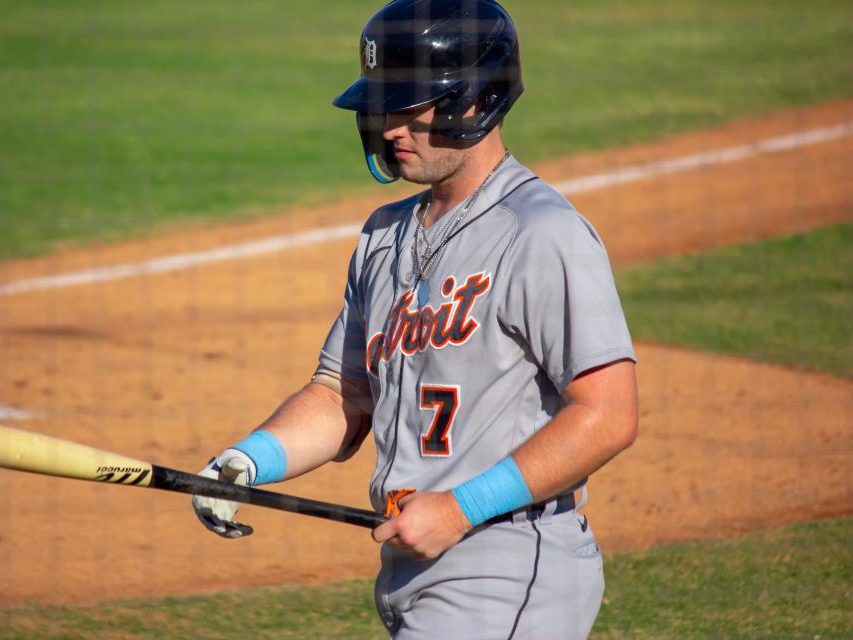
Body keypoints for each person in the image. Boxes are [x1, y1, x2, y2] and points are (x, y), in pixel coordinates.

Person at [192, 1, 638, 638]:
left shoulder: (541, 234)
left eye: (408, 106)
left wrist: (461, 508)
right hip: (409, 563)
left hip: (504, 563)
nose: (387, 126)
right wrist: (247, 461)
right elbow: (343, 393)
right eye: (382, 106)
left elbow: (609, 414)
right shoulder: (383, 236)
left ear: (472, 99)